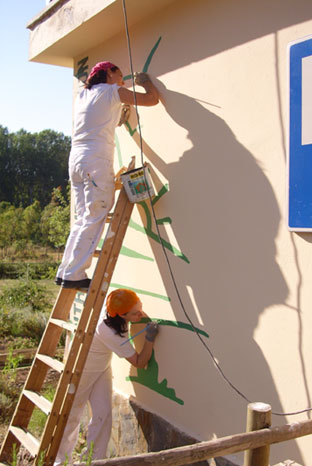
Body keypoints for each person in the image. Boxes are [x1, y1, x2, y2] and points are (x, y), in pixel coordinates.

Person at [56, 62, 160, 290]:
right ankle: (75, 275)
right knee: (96, 214)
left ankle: (66, 271)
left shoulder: (83, 95)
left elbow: (103, 118)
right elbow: (151, 100)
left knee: (83, 216)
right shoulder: (112, 91)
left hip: (77, 160)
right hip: (96, 160)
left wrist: (119, 114)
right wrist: (146, 83)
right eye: (120, 75)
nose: (122, 81)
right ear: (108, 73)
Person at [54, 288, 159, 465]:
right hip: (83, 370)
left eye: (140, 307)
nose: (141, 313)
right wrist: (149, 339)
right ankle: (60, 461)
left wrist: (135, 315)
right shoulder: (109, 331)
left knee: (103, 413)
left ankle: (94, 460)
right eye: (135, 313)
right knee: (72, 414)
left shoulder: (112, 307)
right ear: (120, 315)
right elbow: (140, 362)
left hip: (101, 367)